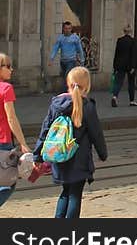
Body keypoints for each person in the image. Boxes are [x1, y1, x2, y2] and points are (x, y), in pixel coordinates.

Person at [33, 66, 107, 220]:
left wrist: (37, 156)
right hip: (79, 159)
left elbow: (45, 130)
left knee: (65, 192)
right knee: (75, 194)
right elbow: (96, 133)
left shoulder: (56, 104)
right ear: (86, 85)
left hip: (59, 157)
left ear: (68, 82)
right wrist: (102, 153)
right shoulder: (87, 106)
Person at [0, 54, 30, 212]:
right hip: (3, 142)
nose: (12, 69)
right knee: (8, 183)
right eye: (8, 66)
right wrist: (23, 143)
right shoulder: (6, 88)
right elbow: (11, 118)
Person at [110, 25, 137, 107]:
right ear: (130, 32)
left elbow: (116, 54)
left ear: (124, 32)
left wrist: (115, 66)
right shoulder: (132, 41)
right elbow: (134, 54)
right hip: (129, 65)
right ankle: (132, 100)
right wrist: (133, 66)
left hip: (120, 64)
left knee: (118, 82)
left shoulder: (119, 40)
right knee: (131, 83)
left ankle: (115, 96)